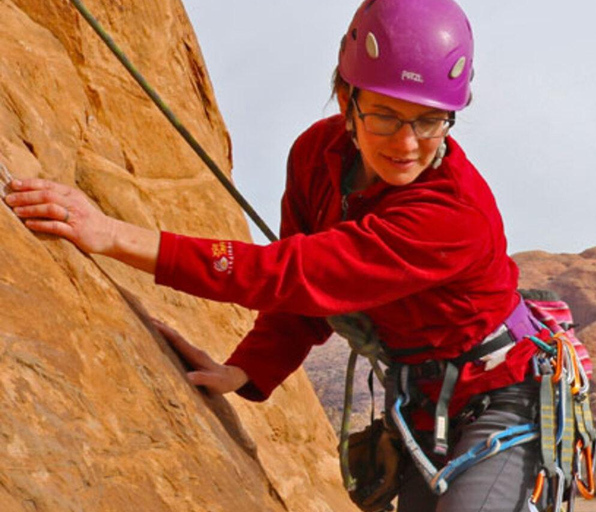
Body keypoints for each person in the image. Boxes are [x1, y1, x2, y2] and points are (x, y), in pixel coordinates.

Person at [4, 1, 550, 510]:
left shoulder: (452, 215)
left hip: (498, 400)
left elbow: (290, 274)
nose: (407, 143)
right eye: (385, 115)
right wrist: (245, 369)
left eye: (429, 120)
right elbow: (303, 296)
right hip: (420, 399)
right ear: (347, 100)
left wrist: (111, 235)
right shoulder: (317, 156)